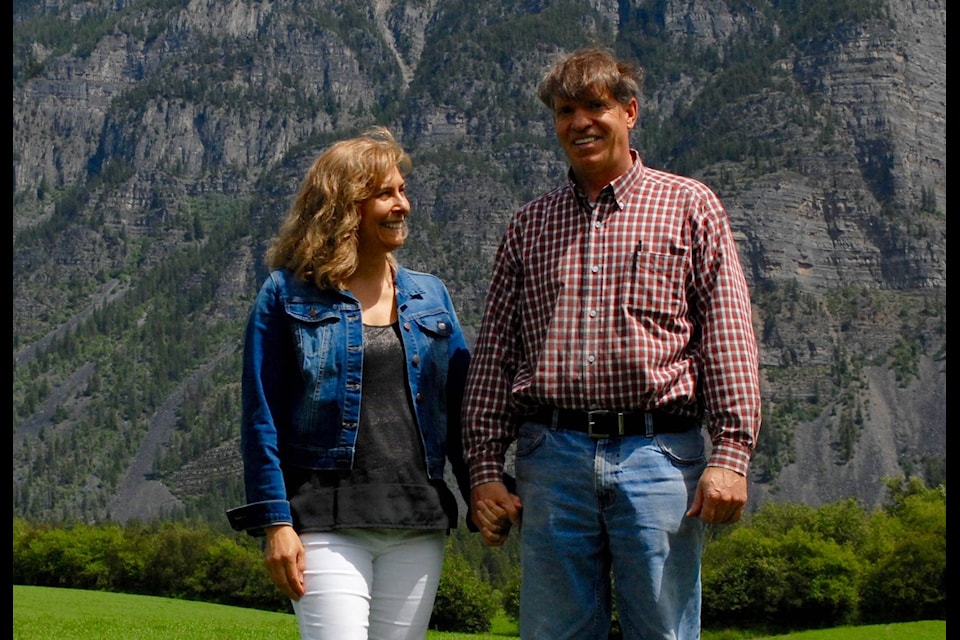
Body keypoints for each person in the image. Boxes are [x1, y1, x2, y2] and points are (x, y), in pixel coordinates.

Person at [463, 48, 762, 640]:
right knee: (556, 634)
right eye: (565, 110)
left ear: (629, 112)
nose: (580, 122)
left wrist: (732, 455)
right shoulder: (528, 226)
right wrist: (482, 471)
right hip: (550, 458)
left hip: (659, 456)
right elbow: (496, 353)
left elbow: (727, 334)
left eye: (595, 106)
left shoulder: (689, 205)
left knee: (664, 632)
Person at [226, 126, 474, 640]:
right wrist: (276, 523)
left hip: (416, 521)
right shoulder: (286, 294)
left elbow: (461, 412)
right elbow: (261, 418)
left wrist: (482, 491)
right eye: (385, 193)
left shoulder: (431, 296)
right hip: (323, 523)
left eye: (402, 190)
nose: (402, 204)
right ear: (343, 206)